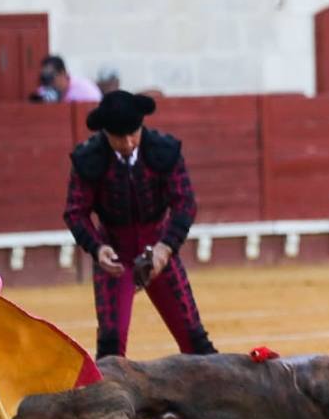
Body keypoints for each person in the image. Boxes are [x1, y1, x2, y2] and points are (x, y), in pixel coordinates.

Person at [63, 91, 217, 360]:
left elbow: (185, 203)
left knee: (196, 341)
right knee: (111, 349)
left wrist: (166, 247)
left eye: (133, 134)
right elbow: (75, 213)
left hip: (159, 250)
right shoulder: (89, 158)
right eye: (118, 137)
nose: (128, 143)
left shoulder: (164, 150)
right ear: (105, 133)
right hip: (115, 256)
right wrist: (97, 249)